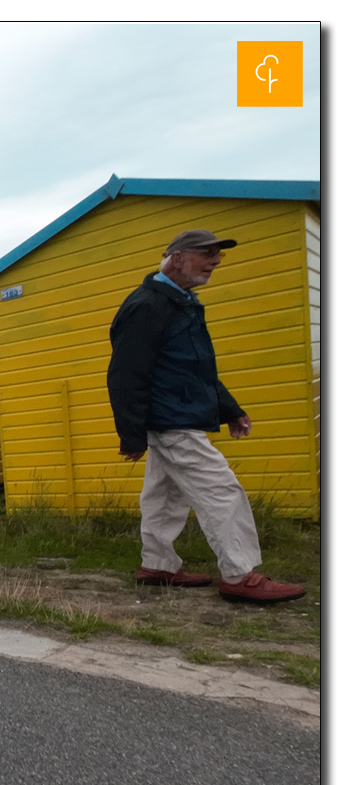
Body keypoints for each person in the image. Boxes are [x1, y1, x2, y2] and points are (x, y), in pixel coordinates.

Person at [106, 229, 306, 604]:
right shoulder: (147, 305)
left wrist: (230, 408)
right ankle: (239, 574)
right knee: (222, 491)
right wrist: (130, 435)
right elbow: (125, 374)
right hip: (170, 420)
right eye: (207, 254)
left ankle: (158, 565)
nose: (215, 261)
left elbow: (195, 368)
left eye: (218, 255)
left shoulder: (181, 302)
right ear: (177, 257)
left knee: (165, 495)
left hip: (178, 414)